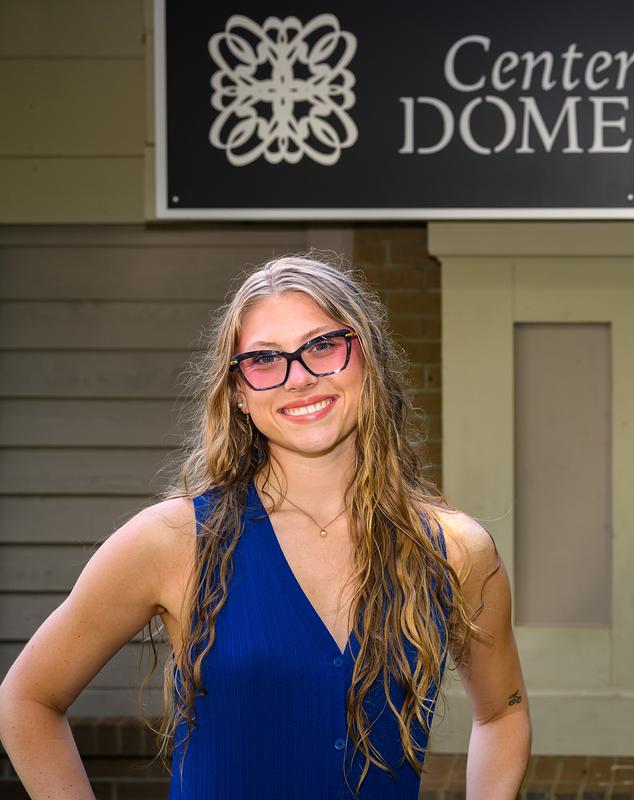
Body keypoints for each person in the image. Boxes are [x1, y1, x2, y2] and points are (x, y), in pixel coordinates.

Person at [0, 254, 531, 798]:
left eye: (323, 345)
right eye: (264, 359)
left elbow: (501, 716)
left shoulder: (452, 550)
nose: (298, 378)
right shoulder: (173, 541)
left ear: (366, 358)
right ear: (237, 392)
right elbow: (28, 699)